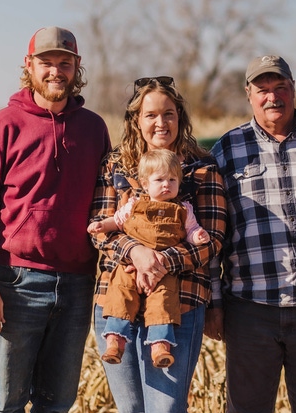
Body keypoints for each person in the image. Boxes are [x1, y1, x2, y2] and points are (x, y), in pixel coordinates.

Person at [0, 26, 111, 413]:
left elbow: (110, 202)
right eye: (47, 63)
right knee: (5, 409)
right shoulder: (2, 125)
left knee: (55, 410)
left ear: (77, 68)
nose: (56, 71)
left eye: (65, 63)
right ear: (29, 66)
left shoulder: (94, 129)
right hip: (16, 282)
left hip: (78, 285)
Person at [210, 55, 296, 413]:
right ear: (248, 95)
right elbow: (212, 232)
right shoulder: (226, 149)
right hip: (250, 308)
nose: (272, 97)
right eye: (262, 89)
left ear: (293, 89)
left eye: (280, 87)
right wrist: (215, 303)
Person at [89, 76, 226, 413]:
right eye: (150, 115)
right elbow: (100, 228)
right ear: (137, 119)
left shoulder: (202, 167)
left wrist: (162, 261)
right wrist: (135, 252)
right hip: (115, 300)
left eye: (168, 114)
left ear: (180, 117)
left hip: (178, 303)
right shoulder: (116, 165)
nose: (160, 122)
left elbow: (213, 237)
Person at [88, 148, 210, 368]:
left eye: (172, 180)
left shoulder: (183, 209)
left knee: (163, 300)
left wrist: (198, 236)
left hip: (164, 271)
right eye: (160, 179)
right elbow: (116, 222)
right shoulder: (134, 204)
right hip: (130, 268)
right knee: (120, 292)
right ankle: (115, 339)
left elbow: (191, 231)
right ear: (145, 184)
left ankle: (160, 345)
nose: (166, 184)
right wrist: (101, 225)